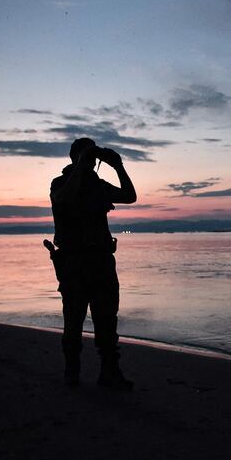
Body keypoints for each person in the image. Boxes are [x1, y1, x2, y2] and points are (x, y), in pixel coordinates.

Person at [49, 137, 137, 389]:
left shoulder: (97, 186)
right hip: (74, 263)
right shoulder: (60, 183)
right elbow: (63, 199)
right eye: (86, 156)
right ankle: (72, 372)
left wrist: (118, 166)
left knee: (107, 320)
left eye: (92, 157)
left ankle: (109, 373)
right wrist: (81, 164)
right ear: (75, 158)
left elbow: (129, 196)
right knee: (73, 321)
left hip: (101, 261)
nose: (90, 161)